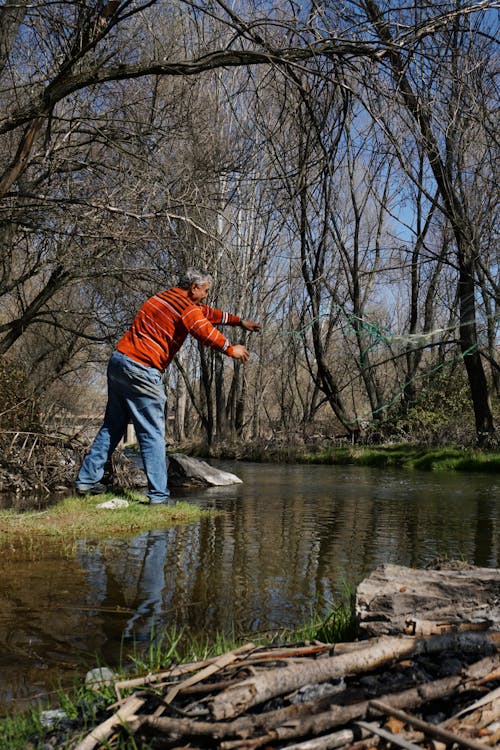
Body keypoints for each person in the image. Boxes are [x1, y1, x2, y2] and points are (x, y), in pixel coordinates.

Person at [75, 268, 260, 504]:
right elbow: (203, 330)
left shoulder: (161, 298)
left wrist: (238, 322)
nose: (205, 296)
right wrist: (229, 348)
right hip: (142, 370)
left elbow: (208, 314)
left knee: (112, 426)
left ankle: (87, 480)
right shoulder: (187, 309)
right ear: (194, 287)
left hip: (119, 362)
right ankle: (158, 496)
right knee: (152, 433)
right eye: (204, 291)